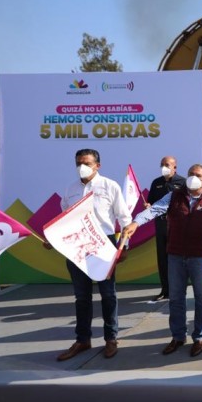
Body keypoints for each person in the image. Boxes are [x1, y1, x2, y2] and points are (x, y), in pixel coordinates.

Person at [122, 164, 202, 358]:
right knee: (175, 299)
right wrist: (135, 222)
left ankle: (199, 336)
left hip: (200, 257)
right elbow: (154, 209)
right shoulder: (174, 196)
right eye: (191, 174)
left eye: (198, 175)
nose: (193, 177)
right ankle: (178, 336)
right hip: (175, 255)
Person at [56, 149, 132, 361]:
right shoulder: (70, 189)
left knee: (108, 294)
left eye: (87, 163)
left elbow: (124, 218)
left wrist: (124, 246)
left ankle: (111, 338)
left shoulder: (110, 186)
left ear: (98, 165)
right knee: (82, 296)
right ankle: (83, 339)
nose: (83, 166)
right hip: (77, 245)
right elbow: (64, 217)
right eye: (79, 162)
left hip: (103, 244)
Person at [146, 156, 186, 302]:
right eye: (162, 164)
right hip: (161, 224)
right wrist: (148, 206)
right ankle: (165, 290)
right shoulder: (156, 183)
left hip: (176, 225)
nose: (164, 167)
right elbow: (150, 201)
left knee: (177, 259)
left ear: (175, 167)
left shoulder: (182, 182)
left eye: (167, 165)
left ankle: (178, 290)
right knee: (162, 258)